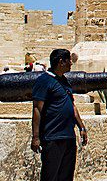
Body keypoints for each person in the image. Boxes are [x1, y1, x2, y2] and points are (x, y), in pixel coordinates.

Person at [30, 48, 88, 181]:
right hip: (52, 137)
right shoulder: (44, 81)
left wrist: (82, 127)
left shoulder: (64, 81)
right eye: (69, 61)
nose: (71, 64)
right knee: (50, 176)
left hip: (68, 136)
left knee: (66, 176)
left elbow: (72, 105)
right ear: (61, 62)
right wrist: (35, 137)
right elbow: (37, 109)